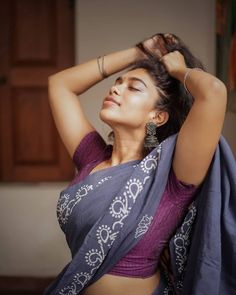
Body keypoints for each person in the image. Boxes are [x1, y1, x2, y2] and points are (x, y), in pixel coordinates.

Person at [43, 33, 235, 295]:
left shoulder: (172, 176)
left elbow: (213, 92)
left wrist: (180, 69)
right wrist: (139, 53)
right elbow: (59, 84)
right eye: (117, 82)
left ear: (157, 116)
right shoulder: (91, 158)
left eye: (133, 88)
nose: (115, 88)